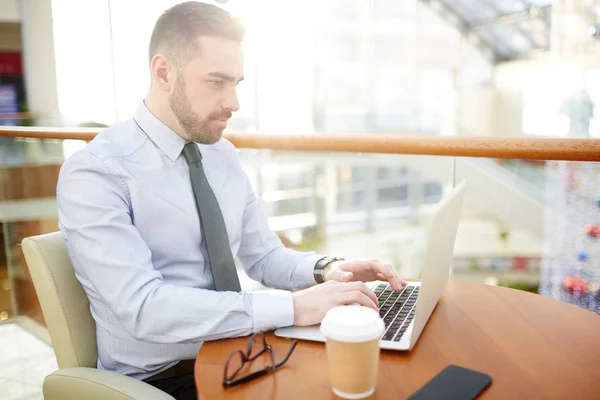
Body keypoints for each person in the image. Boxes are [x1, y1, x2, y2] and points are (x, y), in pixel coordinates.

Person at [56, 2, 405, 399]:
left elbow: (263, 256)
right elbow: (143, 309)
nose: (234, 103)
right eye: (217, 82)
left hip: (244, 348)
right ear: (163, 72)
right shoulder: (96, 173)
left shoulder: (221, 154)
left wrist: (327, 271)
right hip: (163, 379)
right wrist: (295, 307)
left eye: (236, 83)